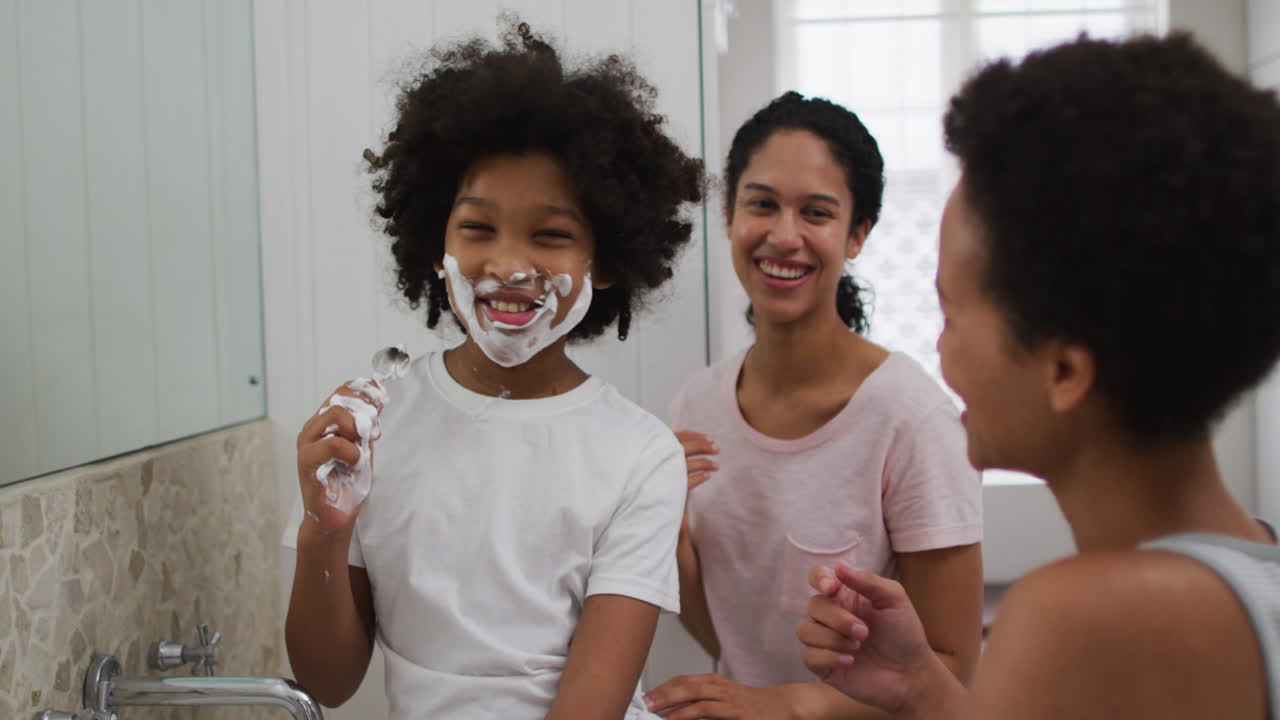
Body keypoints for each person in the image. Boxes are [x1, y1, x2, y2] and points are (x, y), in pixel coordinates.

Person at [798, 32, 1280, 720]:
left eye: (953, 313)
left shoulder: (1086, 620)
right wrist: (922, 686)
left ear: (1063, 371)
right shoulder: (1253, 568)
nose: (941, 350)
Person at [283, 22, 705, 719]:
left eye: (551, 234)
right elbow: (327, 684)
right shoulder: (373, 431)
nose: (509, 265)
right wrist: (322, 531)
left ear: (604, 262)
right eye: (478, 229)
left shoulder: (639, 455)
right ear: (434, 246)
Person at [644, 92, 984, 720]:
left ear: (857, 235)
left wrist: (787, 706)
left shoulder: (913, 421)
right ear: (727, 215)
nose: (784, 236)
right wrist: (669, 533)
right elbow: (727, 634)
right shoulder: (696, 403)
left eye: (817, 213)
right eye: (762, 204)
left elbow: (954, 671)